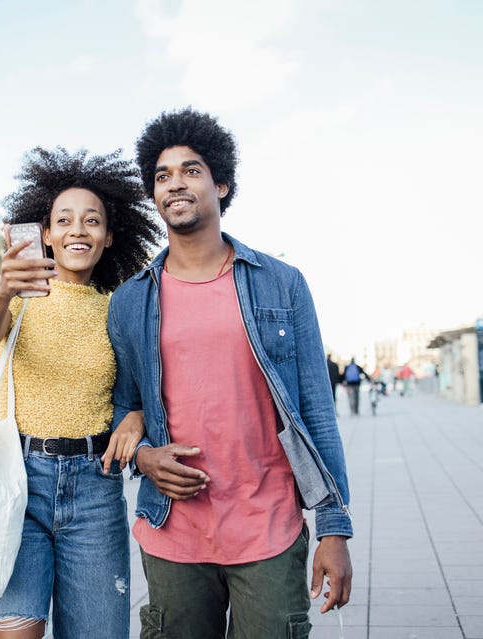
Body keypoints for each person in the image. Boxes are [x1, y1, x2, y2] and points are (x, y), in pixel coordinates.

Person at [107, 108, 353, 638]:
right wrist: (145, 458)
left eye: (190, 170)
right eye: (162, 176)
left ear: (221, 184)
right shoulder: (129, 301)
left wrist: (334, 528)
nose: (175, 184)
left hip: (268, 529)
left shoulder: (282, 285)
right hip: (173, 530)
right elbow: (123, 406)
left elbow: (316, 410)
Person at [0, 146, 161, 639]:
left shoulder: (119, 306)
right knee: (16, 630)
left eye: (92, 220)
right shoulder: (15, 290)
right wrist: (4, 292)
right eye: (65, 220)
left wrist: (135, 416)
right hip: (19, 481)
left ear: (109, 236)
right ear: (46, 233)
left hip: (96, 487)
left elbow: (139, 387)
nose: (78, 229)